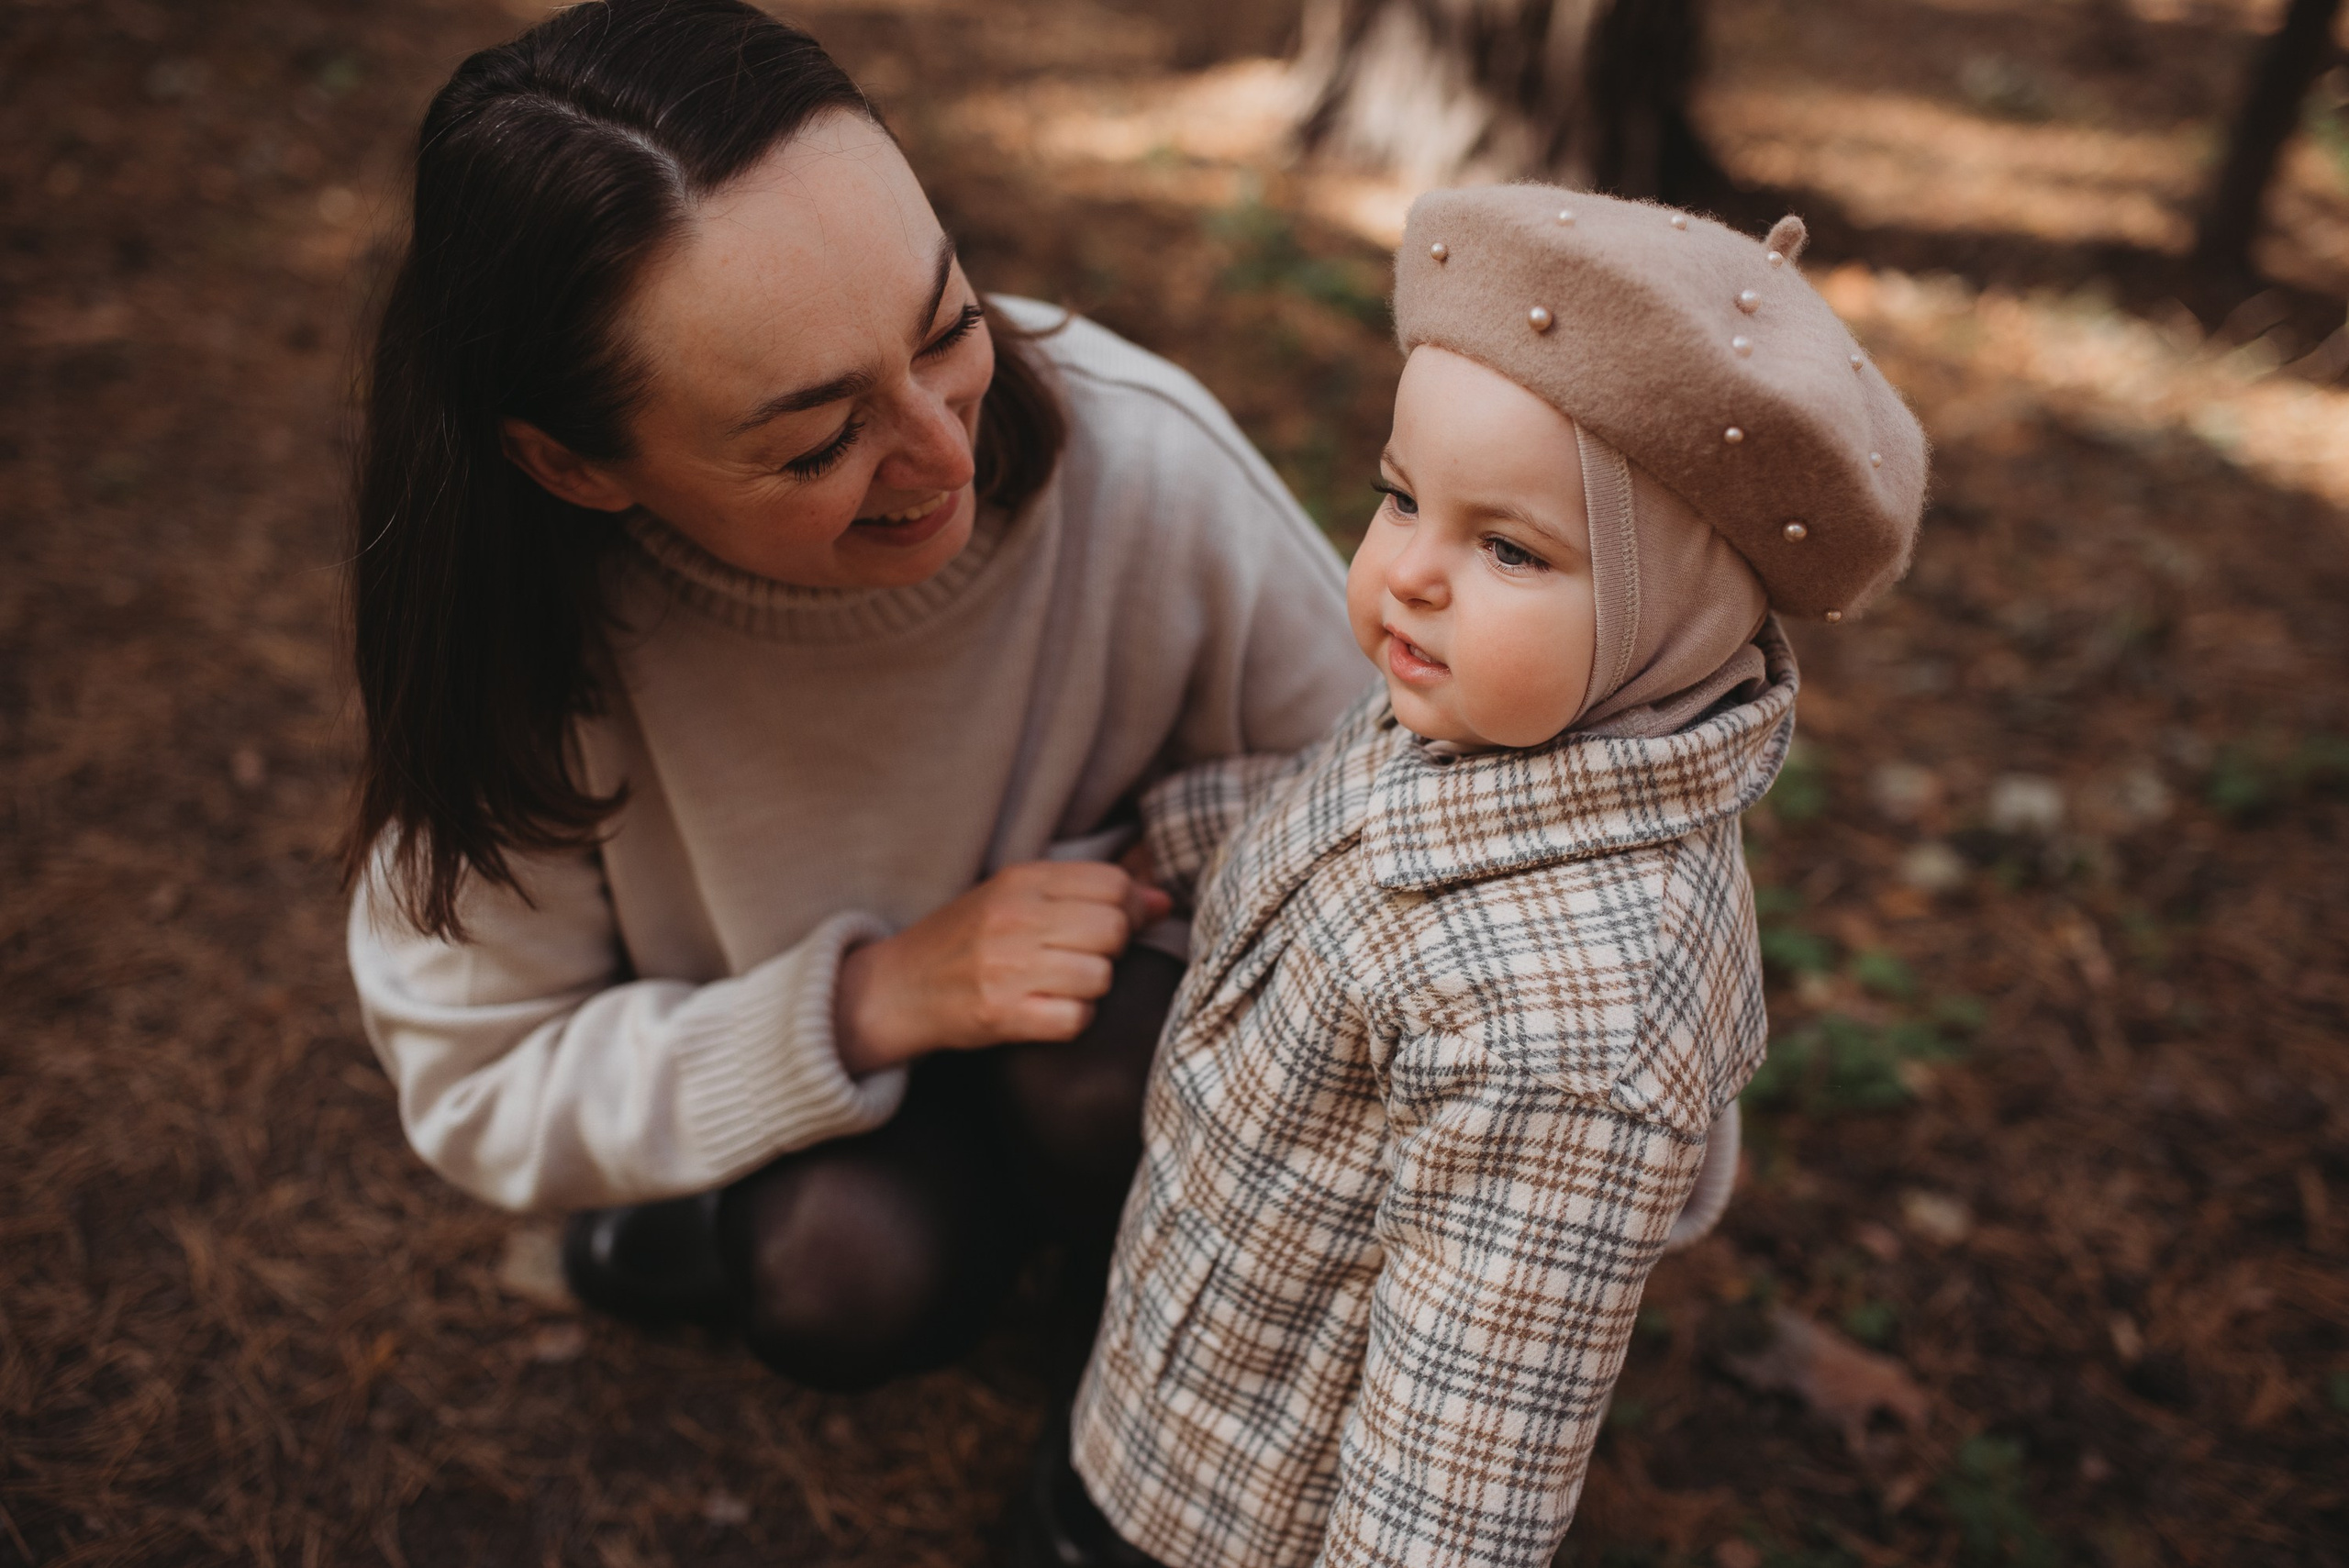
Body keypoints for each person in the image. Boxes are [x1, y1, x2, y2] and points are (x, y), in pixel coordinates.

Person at [340, 0, 1365, 1397]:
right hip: (816, 1125)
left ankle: (1122, 1377)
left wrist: (1164, 875)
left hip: (1116, 1044)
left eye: (947, 328)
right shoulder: (529, 629)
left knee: (1105, 1080)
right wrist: (869, 1001)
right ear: (575, 466)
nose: (946, 454)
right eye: (821, 439)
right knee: (843, 1269)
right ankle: (700, 1236)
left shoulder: (1150, 468)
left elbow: (1416, 827)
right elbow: (484, 1079)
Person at [1045, 188, 1928, 1568]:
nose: (1410, 572)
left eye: (1510, 547)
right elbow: (1334, 813)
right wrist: (1164, 839)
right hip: (1182, 1362)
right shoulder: (1490, 710)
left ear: (1671, 613)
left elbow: (1458, 1471)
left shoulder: (1573, 1039)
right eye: (1402, 497)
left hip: (1246, 1516)